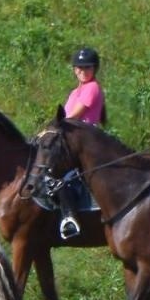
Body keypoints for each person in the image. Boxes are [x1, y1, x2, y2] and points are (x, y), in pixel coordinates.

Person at [56, 47, 106, 238]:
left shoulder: (92, 88)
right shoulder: (75, 92)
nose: (83, 71)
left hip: (84, 140)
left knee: (58, 172)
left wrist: (56, 125)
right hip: (71, 139)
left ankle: (70, 217)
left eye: (87, 68)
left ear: (94, 69)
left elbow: (73, 116)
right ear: (74, 69)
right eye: (79, 67)